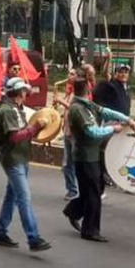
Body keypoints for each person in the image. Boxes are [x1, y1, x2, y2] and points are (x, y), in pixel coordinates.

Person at [64, 74, 135, 242]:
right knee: (93, 193)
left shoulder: (87, 105)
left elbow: (105, 111)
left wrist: (127, 119)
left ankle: (73, 211)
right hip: (85, 157)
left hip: (92, 155)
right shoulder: (78, 109)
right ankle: (90, 230)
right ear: (88, 89)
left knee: (95, 189)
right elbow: (92, 132)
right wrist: (113, 129)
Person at [0, 78, 51, 252]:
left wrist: (37, 129)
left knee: (12, 196)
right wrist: (35, 127)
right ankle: (33, 238)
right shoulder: (8, 110)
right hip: (13, 158)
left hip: (20, 156)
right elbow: (15, 136)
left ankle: (0, 231)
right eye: (24, 90)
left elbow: (24, 133)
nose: (27, 93)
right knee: (24, 197)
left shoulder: (16, 109)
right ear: (18, 92)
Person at [53, 69, 79, 200]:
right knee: (68, 164)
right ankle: (72, 189)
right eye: (68, 73)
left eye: (72, 74)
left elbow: (77, 110)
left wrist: (60, 101)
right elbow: (68, 111)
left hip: (76, 133)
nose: (68, 75)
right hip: (68, 131)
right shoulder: (70, 92)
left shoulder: (80, 93)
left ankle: (74, 190)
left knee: (72, 163)